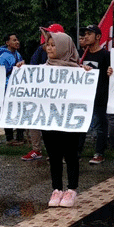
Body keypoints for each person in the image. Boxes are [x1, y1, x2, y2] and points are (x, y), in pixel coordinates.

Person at [42, 31, 91, 207]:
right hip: (49, 120)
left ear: (64, 47)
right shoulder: (42, 70)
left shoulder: (77, 71)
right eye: (48, 44)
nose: (49, 48)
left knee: (70, 154)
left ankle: (71, 189)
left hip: (70, 121)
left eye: (53, 45)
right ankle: (56, 189)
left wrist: (87, 73)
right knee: (53, 155)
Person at [21, 23, 65, 161]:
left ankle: (61, 151)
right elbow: (33, 68)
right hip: (41, 95)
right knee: (36, 120)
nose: (46, 40)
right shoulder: (40, 50)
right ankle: (36, 150)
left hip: (59, 98)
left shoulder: (68, 54)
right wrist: (23, 69)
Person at [78, 24, 110, 164]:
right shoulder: (82, 54)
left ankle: (99, 153)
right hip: (83, 96)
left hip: (99, 95)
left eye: (89, 34)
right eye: (85, 34)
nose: (86, 36)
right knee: (80, 124)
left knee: (100, 125)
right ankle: (77, 152)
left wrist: (110, 72)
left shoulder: (105, 55)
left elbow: (111, 74)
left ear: (98, 37)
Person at [0, 33, 25, 146]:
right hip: (7, 88)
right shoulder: (4, 57)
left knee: (20, 112)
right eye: (14, 40)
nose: (17, 42)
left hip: (17, 87)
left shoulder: (17, 54)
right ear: (7, 43)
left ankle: (20, 137)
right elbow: (0, 73)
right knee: (8, 113)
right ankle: (10, 138)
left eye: (17, 39)